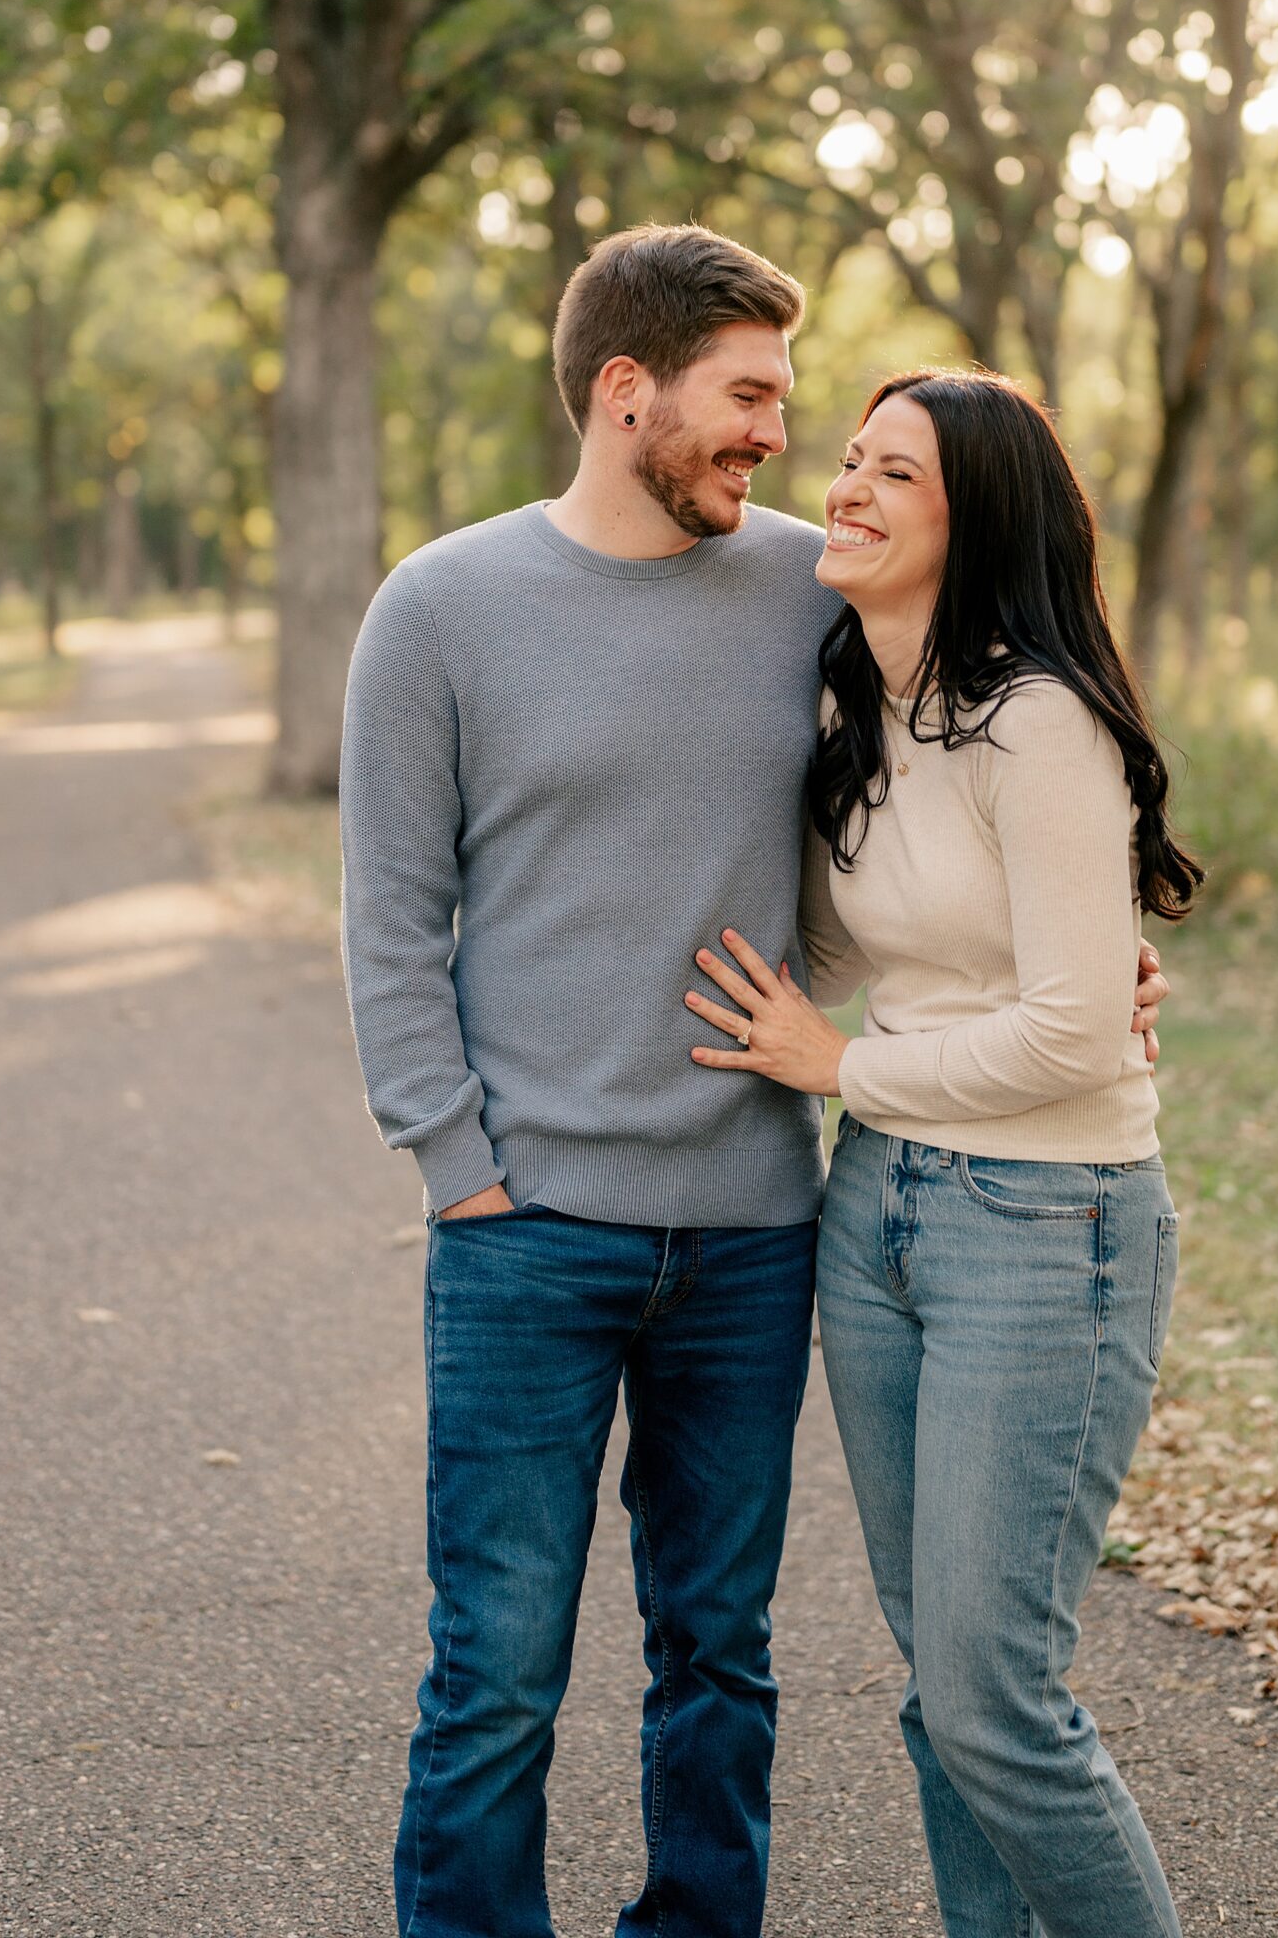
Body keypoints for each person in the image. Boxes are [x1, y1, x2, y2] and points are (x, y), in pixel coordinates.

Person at [339, 233, 1169, 1938]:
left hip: (756, 1226)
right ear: (623, 393)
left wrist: (1087, 968)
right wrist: (455, 1165)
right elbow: (390, 917)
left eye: (795, 409)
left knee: (720, 1655)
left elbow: (997, 775)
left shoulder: (817, 586)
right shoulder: (439, 607)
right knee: (493, 1669)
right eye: (749, 400)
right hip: (526, 1229)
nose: (779, 443)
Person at [685, 367, 1200, 1938]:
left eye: (888, 473)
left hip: (1046, 1226)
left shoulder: (1037, 724)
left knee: (997, 1706)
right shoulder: (868, 709)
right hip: (881, 1213)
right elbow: (848, 955)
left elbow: (1070, 1036)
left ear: (974, 520)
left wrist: (843, 1070)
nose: (840, 488)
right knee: (941, 1695)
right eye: (846, 462)